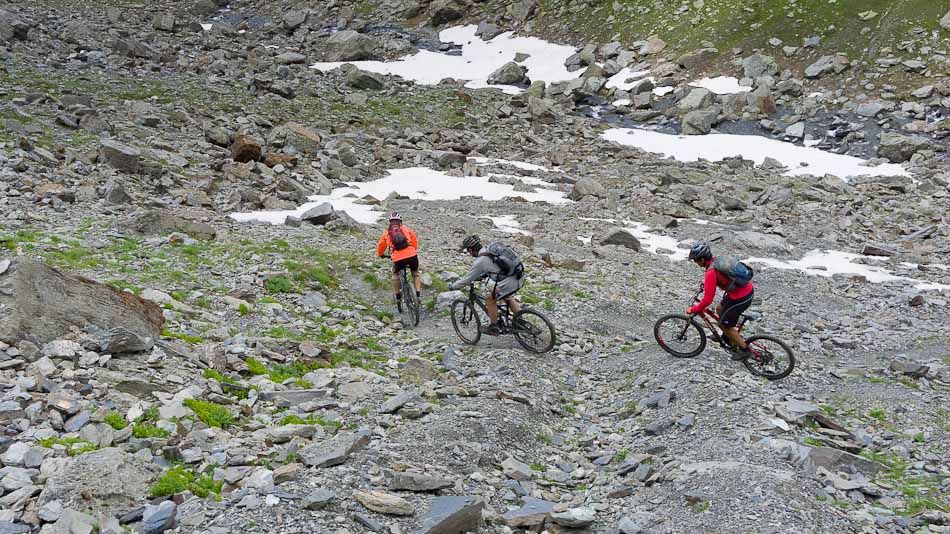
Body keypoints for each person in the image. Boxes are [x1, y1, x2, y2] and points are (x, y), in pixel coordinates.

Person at [686, 241, 754, 360]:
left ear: (702, 259)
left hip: (740, 298)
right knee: (719, 309)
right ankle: (726, 337)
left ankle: (745, 350)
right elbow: (720, 279)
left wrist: (694, 309)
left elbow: (707, 300)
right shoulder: (716, 261)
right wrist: (705, 285)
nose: (696, 263)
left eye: (696, 260)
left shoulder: (710, 272)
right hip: (745, 291)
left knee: (723, 324)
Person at [450, 235, 525, 335]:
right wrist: (484, 275)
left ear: (471, 250)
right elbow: (496, 267)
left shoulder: (480, 261)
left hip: (511, 282)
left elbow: (466, 280)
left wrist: (453, 286)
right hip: (519, 276)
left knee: (490, 299)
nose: (469, 253)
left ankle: (494, 326)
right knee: (507, 296)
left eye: (468, 251)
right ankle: (520, 320)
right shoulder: (489, 250)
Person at [376, 211, 421, 311]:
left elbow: (381, 246)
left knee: (395, 275)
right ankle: (418, 294)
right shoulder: (407, 229)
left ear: (390, 222)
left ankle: (398, 297)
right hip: (412, 255)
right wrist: (412, 250)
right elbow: (414, 242)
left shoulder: (387, 233)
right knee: (415, 273)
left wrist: (381, 255)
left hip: (398, 258)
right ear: (401, 222)